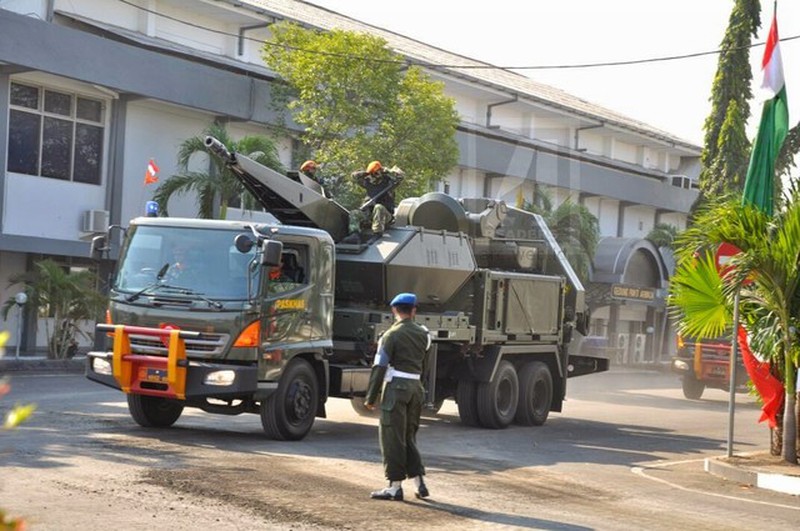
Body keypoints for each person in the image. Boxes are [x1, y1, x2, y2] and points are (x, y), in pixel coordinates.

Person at [365, 292, 431, 501]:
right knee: (408, 436)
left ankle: (394, 486)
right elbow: (425, 365)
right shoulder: (424, 334)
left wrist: (370, 397)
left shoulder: (390, 335)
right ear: (413, 311)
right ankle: (419, 483)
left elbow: (380, 366)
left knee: (392, 437)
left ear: (394, 310)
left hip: (396, 388)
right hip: (415, 387)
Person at [351, 160, 404, 236]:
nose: (374, 176)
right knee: (354, 213)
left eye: (376, 173)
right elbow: (354, 176)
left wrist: (386, 170)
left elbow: (400, 176)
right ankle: (354, 234)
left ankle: (377, 233)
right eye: (372, 174)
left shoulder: (388, 182)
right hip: (370, 214)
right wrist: (367, 172)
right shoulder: (368, 182)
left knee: (378, 207)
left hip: (385, 216)